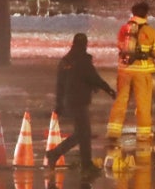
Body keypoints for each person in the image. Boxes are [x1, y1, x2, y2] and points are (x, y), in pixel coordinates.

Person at [45, 33, 115, 177]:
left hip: (68, 102)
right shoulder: (82, 60)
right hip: (79, 102)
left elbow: (60, 85)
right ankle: (60, 156)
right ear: (84, 44)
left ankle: (77, 161)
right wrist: (108, 89)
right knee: (84, 133)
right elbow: (94, 78)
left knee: (81, 134)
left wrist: (59, 105)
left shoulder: (65, 61)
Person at [106, 2, 155, 142]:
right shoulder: (150, 31)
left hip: (124, 70)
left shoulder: (124, 29)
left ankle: (114, 130)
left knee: (121, 100)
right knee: (143, 102)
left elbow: (120, 45)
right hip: (142, 72)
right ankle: (143, 133)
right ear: (146, 15)